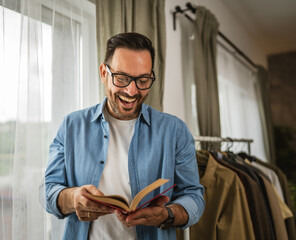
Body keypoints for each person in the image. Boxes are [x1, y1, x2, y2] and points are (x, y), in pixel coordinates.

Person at [45, 32, 205, 239]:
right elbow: (49, 191)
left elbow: (194, 197)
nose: (131, 91)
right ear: (104, 73)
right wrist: (72, 198)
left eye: (143, 80)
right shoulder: (71, 126)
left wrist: (167, 214)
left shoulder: (175, 131)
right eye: (122, 78)